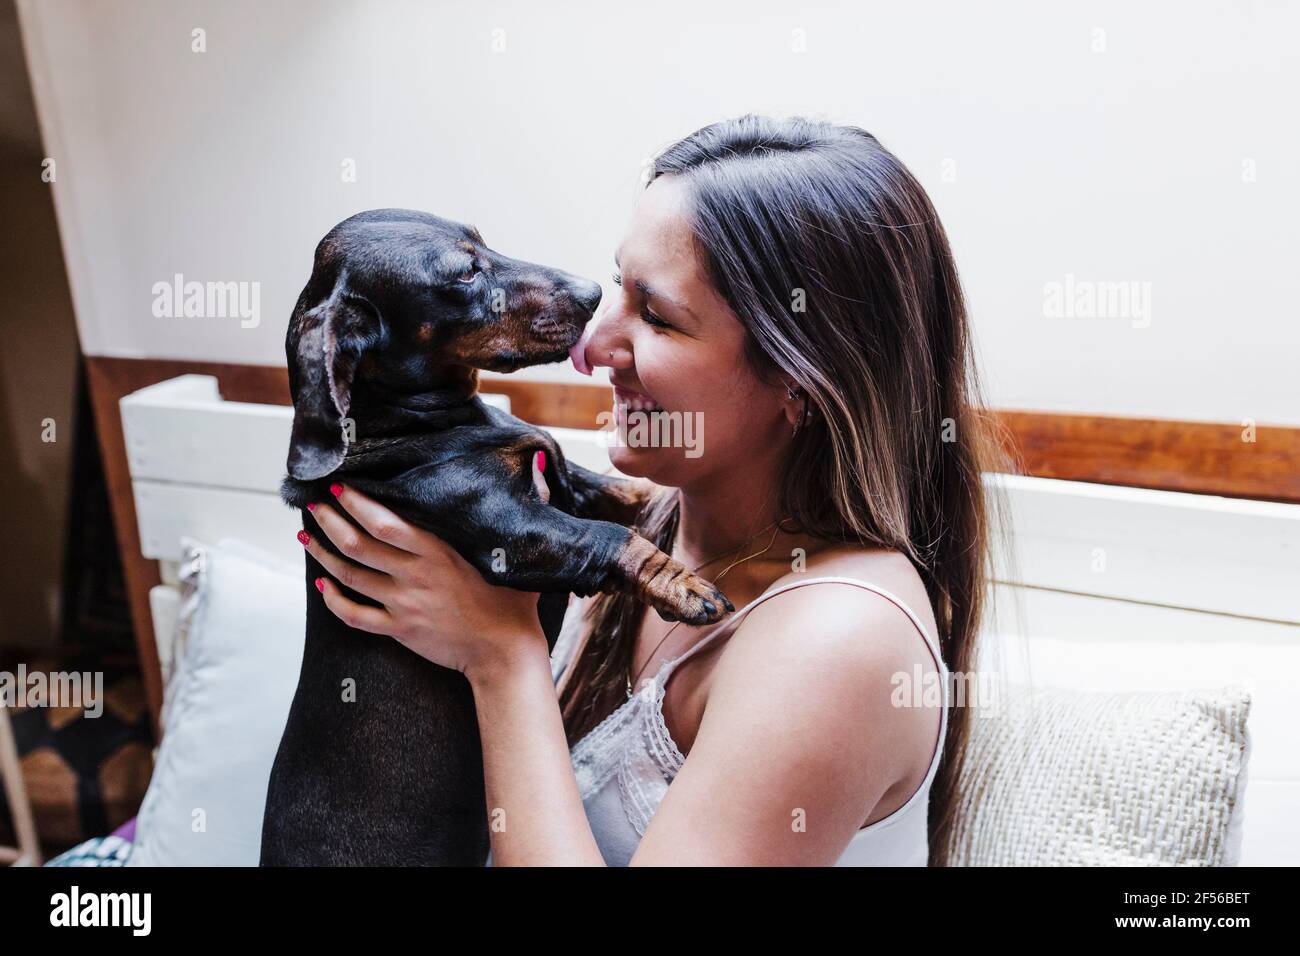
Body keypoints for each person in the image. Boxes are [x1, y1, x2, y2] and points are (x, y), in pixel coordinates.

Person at [298, 114, 1000, 866]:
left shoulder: (839, 641)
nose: (590, 347)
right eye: (616, 290)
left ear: (800, 384)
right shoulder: (629, 530)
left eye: (657, 317)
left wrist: (500, 658)